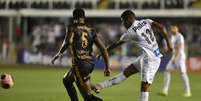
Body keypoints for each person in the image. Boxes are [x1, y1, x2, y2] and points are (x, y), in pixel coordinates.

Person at [93, 10, 172, 101]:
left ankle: (100, 86)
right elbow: (161, 27)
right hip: (147, 56)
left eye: (123, 21)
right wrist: (169, 45)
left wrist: (103, 52)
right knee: (126, 73)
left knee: (144, 87)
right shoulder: (145, 21)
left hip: (151, 60)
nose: (123, 24)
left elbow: (116, 44)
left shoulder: (131, 32)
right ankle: (100, 86)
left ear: (128, 20)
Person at [51, 8, 110, 101]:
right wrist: (107, 67)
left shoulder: (72, 27)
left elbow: (68, 42)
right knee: (67, 80)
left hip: (79, 64)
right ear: (84, 17)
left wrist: (59, 53)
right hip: (90, 63)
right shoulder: (91, 30)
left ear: (74, 17)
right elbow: (103, 48)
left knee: (88, 98)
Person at [160, 25, 191, 97]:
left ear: (177, 29)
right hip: (175, 57)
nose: (173, 29)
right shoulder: (172, 38)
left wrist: (175, 58)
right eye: (171, 28)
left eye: (174, 28)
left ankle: (188, 91)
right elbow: (170, 50)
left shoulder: (179, 36)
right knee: (167, 70)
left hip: (180, 57)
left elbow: (180, 48)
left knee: (183, 73)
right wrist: (166, 50)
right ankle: (165, 90)